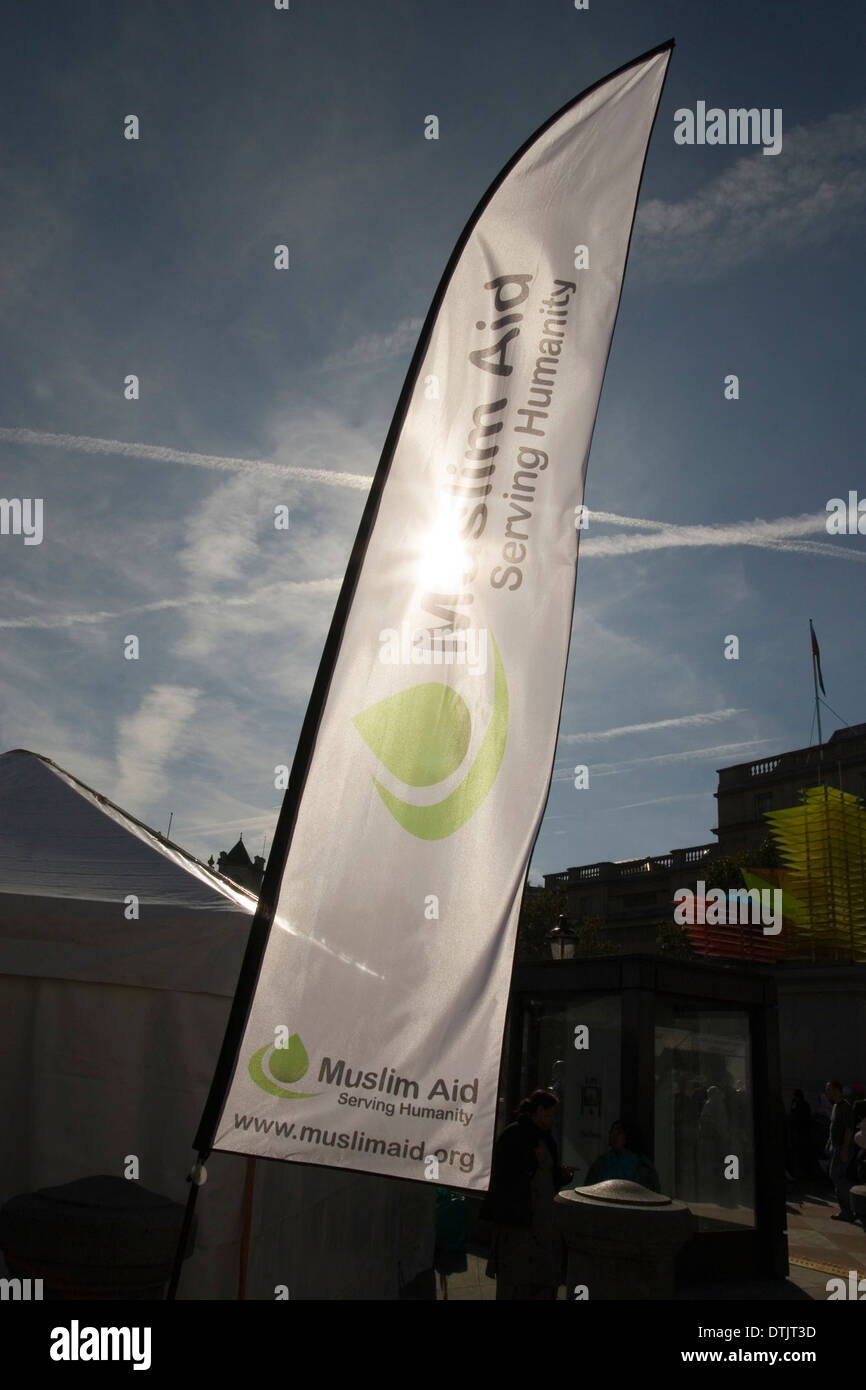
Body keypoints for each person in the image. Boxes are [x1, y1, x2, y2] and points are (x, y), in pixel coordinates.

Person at [480, 1089, 574, 1300]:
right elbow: (506, 1177)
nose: (553, 1120)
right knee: (516, 1285)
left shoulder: (547, 1140)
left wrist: (560, 1176)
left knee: (539, 1283)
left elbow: (547, 1177)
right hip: (518, 1226)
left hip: (541, 1227)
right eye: (550, 1114)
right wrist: (532, 1161)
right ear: (539, 1111)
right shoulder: (515, 1135)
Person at [585, 1120, 661, 1191]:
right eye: (612, 1132)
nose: (614, 1136)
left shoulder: (642, 1165)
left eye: (619, 1132)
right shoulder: (601, 1162)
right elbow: (590, 1188)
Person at [824, 1080, 855, 1223]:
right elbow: (833, 1127)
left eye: (829, 1089)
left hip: (842, 1147)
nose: (827, 1092)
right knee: (836, 1177)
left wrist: (845, 1149)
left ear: (837, 1090)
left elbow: (849, 1129)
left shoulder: (845, 1107)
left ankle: (849, 1206)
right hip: (836, 1146)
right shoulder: (836, 1106)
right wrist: (829, 1144)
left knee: (836, 1176)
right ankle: (846, 1209)